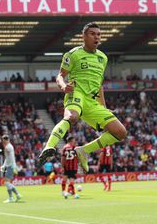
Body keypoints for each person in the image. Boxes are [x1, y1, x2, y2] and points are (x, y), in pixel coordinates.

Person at [38, 22, 127, 172]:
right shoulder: (73, 54)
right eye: (92, 34)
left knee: (120, 132)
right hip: (77, 93)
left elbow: (99, 85)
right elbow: (60, 75)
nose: (96, 37)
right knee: (72, 117)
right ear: (84, 36)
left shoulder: (102, 58)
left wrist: (103, 107)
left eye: (98, 34)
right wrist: (63, 86)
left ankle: (83, 151)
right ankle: (49, 147)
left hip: (92, 101)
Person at [1, 135, 22, 203]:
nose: (2, 141)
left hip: (10, 166)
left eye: (3, 140)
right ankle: (16, 196)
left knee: (6, 182)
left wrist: (13, 166)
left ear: (5, 140)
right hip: (10, 166)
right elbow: (8, 157)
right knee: (7, 182)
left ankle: (13, 197)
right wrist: (4, 166)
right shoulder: (9, 146)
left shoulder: (8, 147)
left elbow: (11, 158)